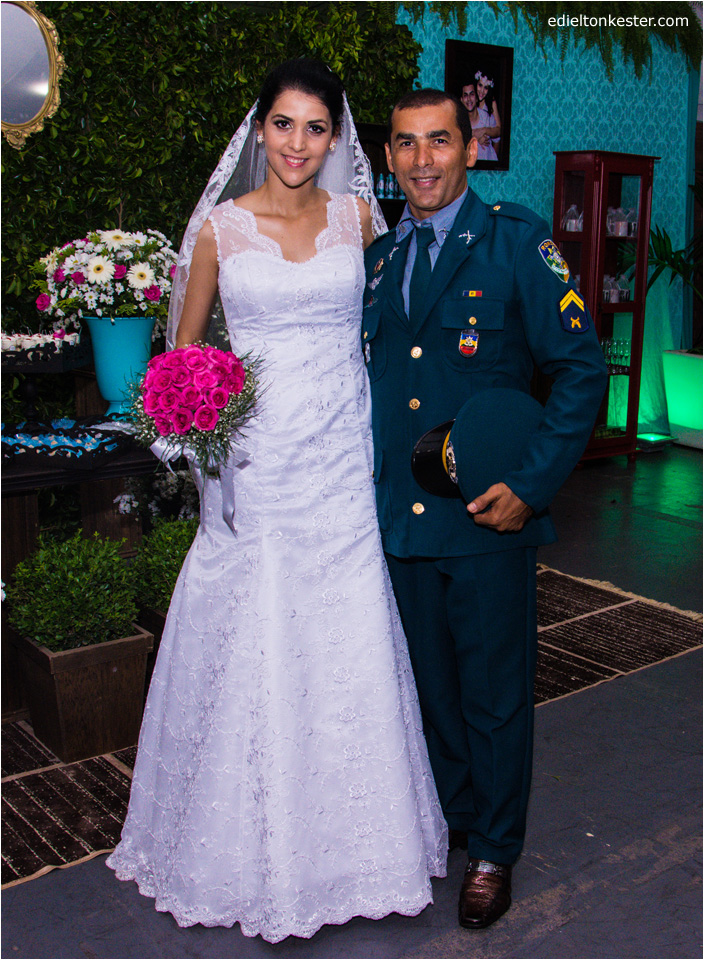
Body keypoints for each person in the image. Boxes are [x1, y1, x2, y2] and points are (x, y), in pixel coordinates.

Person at [106, 61, 447, 942]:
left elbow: (394, 332)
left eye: (316, 128)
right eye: (284, 124)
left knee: (345, 632)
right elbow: (182, 358)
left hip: (340, 458)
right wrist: (199, 433)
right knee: (256, 627)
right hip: (256, 466)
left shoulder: (360, 219)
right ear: (259, 130)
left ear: (337, 139)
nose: (298, 143)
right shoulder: (220, 230)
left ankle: (360, 849)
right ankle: (241, 848)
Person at [362, 88, 607, 929]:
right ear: (389, 157)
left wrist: (532, 487)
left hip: (486, 518)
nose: (422, 160)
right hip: (401, 521)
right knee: (432, 690)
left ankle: (495, 849)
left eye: (439, 141)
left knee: (495, 695)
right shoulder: (380, 260)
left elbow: (580, 370)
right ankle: (458, 821)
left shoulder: (515, 242)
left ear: (471, 148)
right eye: (406, 144)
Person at [459, 81, 497, 162]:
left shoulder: (487, 117)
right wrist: (474, 137)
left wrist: (494, 163)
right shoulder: (459, 121)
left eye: (472, 94)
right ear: (461, 100)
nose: (469, 99)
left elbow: (497, 138)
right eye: (465, 95)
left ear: (476, 98)